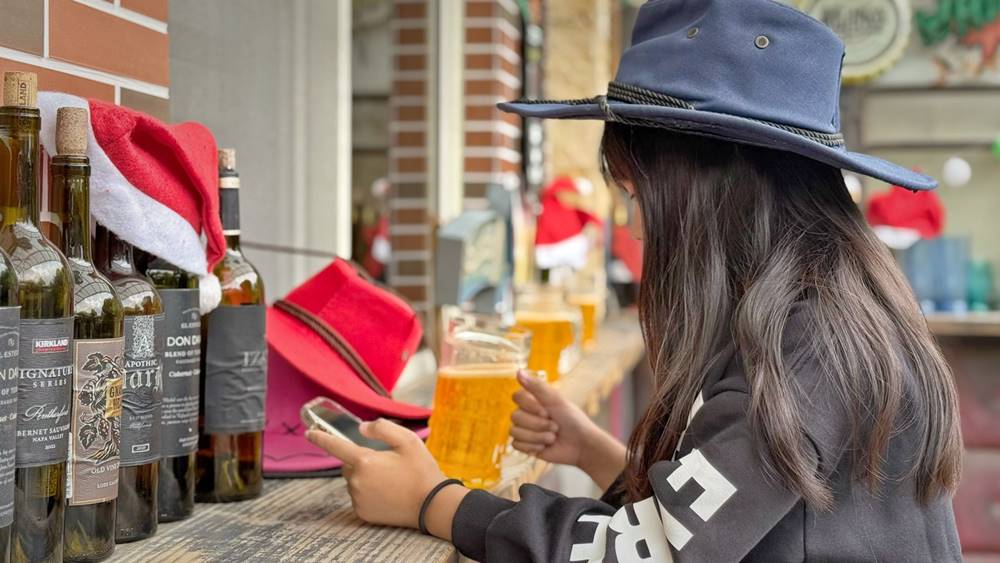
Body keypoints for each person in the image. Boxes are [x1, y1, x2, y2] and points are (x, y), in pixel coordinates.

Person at [306, 0, 963, 560]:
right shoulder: (816, 309)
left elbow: (648, 553)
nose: (636, 225)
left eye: (637, 195)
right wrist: (593, 451)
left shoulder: (809, 343)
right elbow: (726, 517)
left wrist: (435, 502)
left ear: (707, 193)